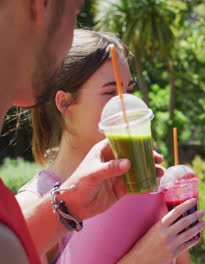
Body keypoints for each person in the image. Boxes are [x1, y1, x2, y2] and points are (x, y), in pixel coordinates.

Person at [16, 29, 205, 264]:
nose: (125, 104)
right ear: (63, 102)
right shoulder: (35, 206)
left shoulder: (148, 184)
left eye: (129, 90)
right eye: (110, 92)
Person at [0, 1, 158, 263]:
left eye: (128, 90)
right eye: (75, 12)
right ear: (42, 6)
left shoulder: (99, 193)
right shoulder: (26, 204)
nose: (124, 103)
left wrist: (68, 207)